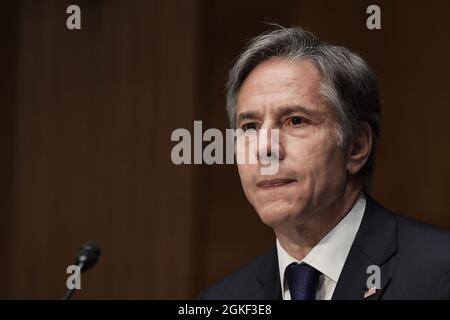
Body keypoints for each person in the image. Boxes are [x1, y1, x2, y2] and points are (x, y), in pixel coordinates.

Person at [199, 26, 450, 300]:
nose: (265, 149)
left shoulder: (439, 273)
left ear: (356, 146)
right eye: (249, 127)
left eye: (295, 120)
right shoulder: (221, 298)